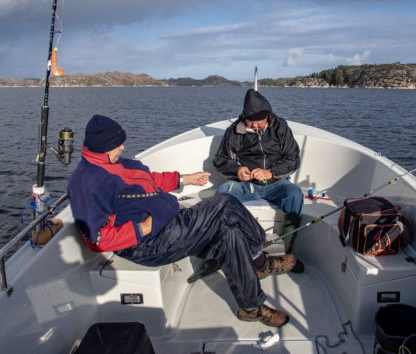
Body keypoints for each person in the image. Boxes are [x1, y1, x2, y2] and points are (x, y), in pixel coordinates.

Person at [68, 114, 297, 327]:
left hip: (170, 223)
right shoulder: (86, 183)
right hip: (148, 243)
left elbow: (149, 179)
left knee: (229, 232)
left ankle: (250, 307)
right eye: (117, 144)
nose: (122, 146)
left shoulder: (116, 163)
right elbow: (97, 240)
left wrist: (185, 179)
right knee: (223, 203)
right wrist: (142, 228)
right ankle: (259, 261)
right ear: (103, 148)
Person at [213, 89, 304, 252]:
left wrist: (271, 172)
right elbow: (220, 160)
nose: (255, 125)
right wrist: (237, 170)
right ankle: (227, 249)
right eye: (250, 122)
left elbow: (293, 158)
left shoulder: (280, 127)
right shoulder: (234, 130)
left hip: (276, 183)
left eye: (259, 122)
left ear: (268, 116)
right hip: (244, 185)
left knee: (295, 194)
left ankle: (287, 249)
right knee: (223, 193)